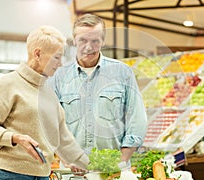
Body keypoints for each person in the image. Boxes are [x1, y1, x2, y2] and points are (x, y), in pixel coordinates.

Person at [0, 25, 89, 180]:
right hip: (8, 176)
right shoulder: (8, 84)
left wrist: (84, 162)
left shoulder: (49, 94)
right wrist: (14, 138)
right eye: (57, 57)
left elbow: (61, 136)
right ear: (37, 54)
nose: (60, 64)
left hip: (41, 179)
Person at [49, 13, 147, 169]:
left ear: (103, 41)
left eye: (95, 41)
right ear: (74, 40)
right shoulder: (58, 77)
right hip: (73, 174)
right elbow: (49, 124)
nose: (89, 47)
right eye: (83, 40)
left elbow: (137, 118)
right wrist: (66, 159)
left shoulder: (122, 72)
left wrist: (122, 160)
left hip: (113, 171)